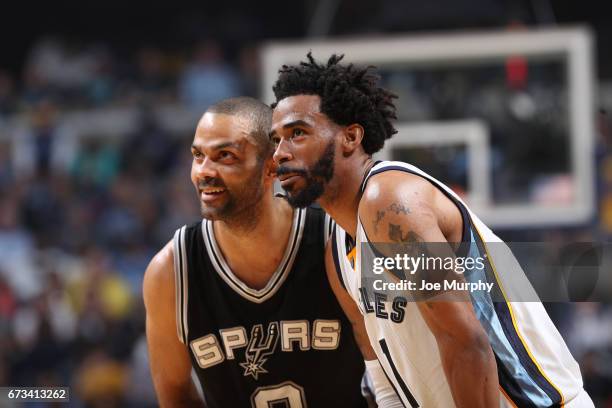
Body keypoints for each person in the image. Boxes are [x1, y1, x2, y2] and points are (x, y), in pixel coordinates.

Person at [269, 54, 594, 407]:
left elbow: (466, 343)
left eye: (297, 133)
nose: (280, 154)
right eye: (275, 141)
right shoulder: (336, 245)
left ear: (350, 137)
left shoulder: (389, 200)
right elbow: (383, 379)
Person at [143, 97, 400, 407]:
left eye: (225, 156)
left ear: (270, 167)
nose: (204, 172)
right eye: (198, 156)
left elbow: (388, 376)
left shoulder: (335, 241)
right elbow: (175, 396)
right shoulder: (170, 272)